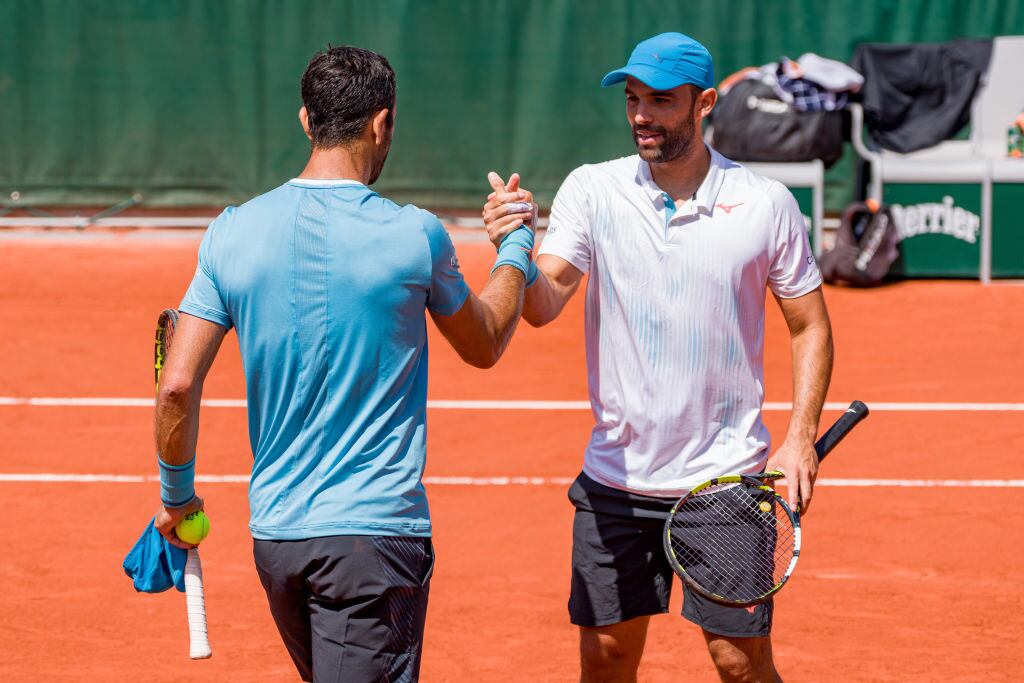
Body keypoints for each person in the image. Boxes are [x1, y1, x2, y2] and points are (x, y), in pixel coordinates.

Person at [151, 45, 535, 682]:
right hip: (374, 543)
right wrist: (516, 246)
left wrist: (175, 497)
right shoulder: (417, 234)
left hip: (277, 544)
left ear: (306, 120)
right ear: (382, 123)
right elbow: (485, 340)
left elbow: (177, 387)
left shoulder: (230, 231)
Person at [483, 33, 833, 683]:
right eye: (634, 99)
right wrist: (516, 248)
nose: (642, 114)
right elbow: (544, 299)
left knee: (739, 661)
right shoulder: (593, 191)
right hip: (614, 482)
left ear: (704, 104)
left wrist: (800, 438)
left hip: (725, 482)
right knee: (608, 660)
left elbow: (809, 324)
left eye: (661, 101)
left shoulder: (765, 205)